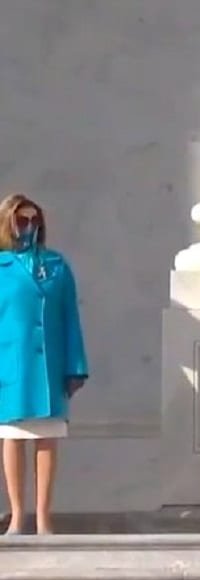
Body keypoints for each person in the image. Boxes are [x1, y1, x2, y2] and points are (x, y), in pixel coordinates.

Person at [0, 195, 87, 535]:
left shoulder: (56, 264)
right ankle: (18, 515)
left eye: (34, 221)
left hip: (49, 364)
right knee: (12, 436)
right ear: (8, 223)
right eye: (21, 221)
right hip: (9, 363)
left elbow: (70, 318)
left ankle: (43, 517)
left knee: (47, 437)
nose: (29, 228)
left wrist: (75, 366)